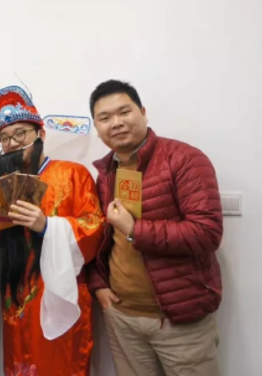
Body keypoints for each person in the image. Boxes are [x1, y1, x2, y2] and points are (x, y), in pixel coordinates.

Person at [0, 85, 104, 376]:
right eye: (5, 138)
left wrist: (47, 226)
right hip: (17, 297)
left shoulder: (73, 173)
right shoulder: (5, 185)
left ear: (40, 134)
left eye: (20, 133)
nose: (12, 143)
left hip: (60, 294)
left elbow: (94, 228)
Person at [87, 80, 223, 376]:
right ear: (97, 128)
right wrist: (98, 285)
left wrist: (135, 230)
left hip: (180, 320)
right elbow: (101, 237)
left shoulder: (184, 159)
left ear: (143, 112)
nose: (116, 123)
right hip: (122, 316)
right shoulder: (106, 172)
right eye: (105, 118)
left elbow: (207, 232)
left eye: (124, 112)